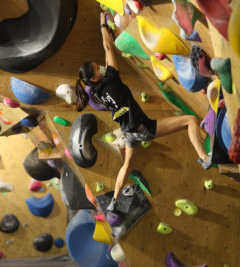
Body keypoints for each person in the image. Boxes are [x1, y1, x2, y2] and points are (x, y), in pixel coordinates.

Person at [74, 12, 212, 212]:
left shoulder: (95, 91)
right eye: (97, 68)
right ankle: (204, 158)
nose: (101, 67)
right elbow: (107, 46)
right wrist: (103, 24)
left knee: (127, 165)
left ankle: (114, 200)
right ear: (93, 77)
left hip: (127, 132)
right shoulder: (111, 78)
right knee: (190, 120)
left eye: (98, 65)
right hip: (140, 127)